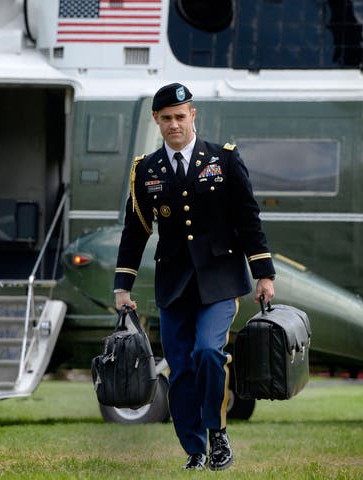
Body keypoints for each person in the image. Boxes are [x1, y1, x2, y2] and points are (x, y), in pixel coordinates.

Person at [113, 83, 276, 470]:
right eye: (166, 118)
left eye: (180, 117)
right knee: (181, 367)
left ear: (193, 115)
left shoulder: (224, 159)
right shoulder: (146, 169)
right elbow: (135, 230)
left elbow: (248, 219)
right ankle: (194, 450)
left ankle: (217, 433)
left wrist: (264, 274)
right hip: (173, 284)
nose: (174, 125)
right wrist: (123, 285)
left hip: (220, 280)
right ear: (156, 119)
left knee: (208, 352)